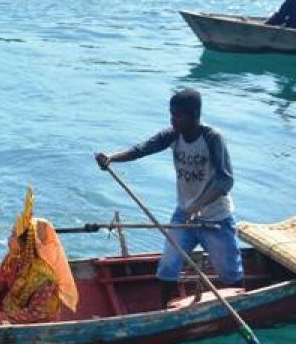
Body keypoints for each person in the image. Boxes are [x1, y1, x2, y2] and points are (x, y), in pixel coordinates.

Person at [94, 88, 243, 308]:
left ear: (194, 115)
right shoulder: (174, 134)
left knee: (230, 275)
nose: (173, 120)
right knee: (167, 268)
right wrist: (111, 158)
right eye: (171, 114)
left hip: (216, 219)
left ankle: (243, 306)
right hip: (184, 215)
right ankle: (166, 313)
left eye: (178, 116)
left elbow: (225, 181)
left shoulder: (212, 138)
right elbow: (142, 149)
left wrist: (199, 205)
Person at [0, 188, 78, 325]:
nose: (8, 238)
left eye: (13, 235)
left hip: (35, 326)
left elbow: (36, 314)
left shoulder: (45, 279)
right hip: (8, 310)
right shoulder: (12, 259)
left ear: (24, 243)